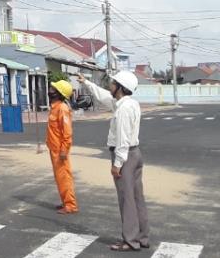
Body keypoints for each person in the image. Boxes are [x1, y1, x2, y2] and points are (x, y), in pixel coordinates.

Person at [77, 70, 149, 252]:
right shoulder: (128, 104)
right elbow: (103, 96)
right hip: (135, 154)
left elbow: (123, 139)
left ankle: (130, 241)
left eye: (113, 83)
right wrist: (87, 83)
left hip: (125, 156)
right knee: (137, 197)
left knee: (127, 200)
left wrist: (117, 164)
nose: (110, 85)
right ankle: (142, 237)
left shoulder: (123, 109)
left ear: (120, 88)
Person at [47, 79, 78, 215]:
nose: (50, 90)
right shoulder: (55, 108)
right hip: (54, 149)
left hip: (60, 150)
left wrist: (64, 150)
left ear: (58, 93)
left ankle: (70, 205)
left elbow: (67, 132)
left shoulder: (62, 109)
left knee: (64, 176)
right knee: (60, 177)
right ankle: (66, 201)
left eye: (53, 89)